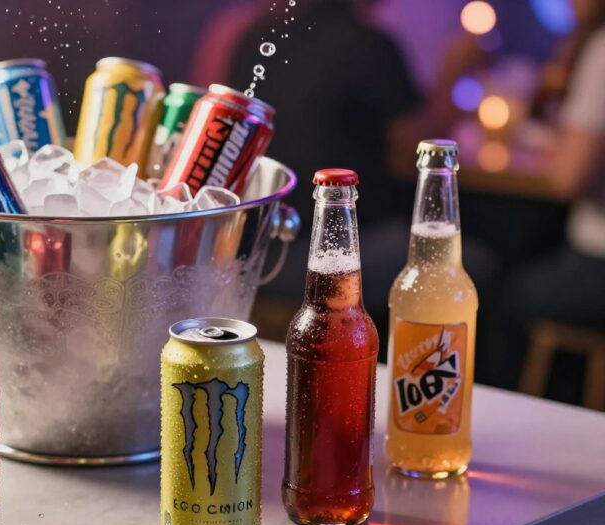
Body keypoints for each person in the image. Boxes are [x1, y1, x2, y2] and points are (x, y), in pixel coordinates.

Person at [196, 0, 498, 349]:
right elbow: (421, 149)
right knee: (474, 266)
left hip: (252, 257)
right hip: (329, 255)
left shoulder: (256, 36)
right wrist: (454, 72)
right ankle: (416, 370)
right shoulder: (368, 44)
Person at [500, 0, 605, 394]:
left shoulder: (601, 48)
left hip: (597, 265)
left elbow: (568, 176)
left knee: (500, 298)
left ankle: (528, 422)